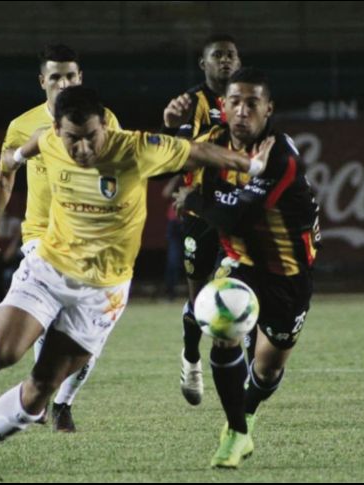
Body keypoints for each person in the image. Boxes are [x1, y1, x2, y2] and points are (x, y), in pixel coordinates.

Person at [0, 86, 263, 477]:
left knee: (40, 390)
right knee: (2, 354)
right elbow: (24, 151)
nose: (81, 148)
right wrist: (12, 159)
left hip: (103, 292)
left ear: (105, 127)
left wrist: (250, 166)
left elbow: (198, 152)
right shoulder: (48, 140)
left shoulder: (134, 148)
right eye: (72, 139)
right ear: (57, 131)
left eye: (91, 137)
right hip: (49, 268)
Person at [179, 68, 321, 468]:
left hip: (287, 273)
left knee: (268, 367)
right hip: (240, 263)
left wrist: (197, 201)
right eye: (235, 102)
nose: (242, 111)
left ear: (268, 109)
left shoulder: (281, 156)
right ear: (222, 106)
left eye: (252, 103)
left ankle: (249, 410)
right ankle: (236, 431)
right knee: (222, 331)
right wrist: (170, 127)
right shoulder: (210, 144)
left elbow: (237, 217)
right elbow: (172, 171)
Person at [0, 44, 122, 433]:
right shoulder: (23, 126)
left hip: (90, 243)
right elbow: (5, 173)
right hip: (40, 235)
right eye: (55, 76)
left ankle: (61, 402)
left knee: (85, 339)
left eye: (70, 76)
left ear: (81, 79)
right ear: (43, 81)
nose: (63, 83)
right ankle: (34, 389)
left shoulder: (104, 120)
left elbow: (119, 173)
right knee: (54, 321)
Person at [161, 34, 242, 405]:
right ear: (203, 63)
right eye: (217, 55)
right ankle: (191, 359)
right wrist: (172, 125)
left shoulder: (248, 99)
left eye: (230, 55)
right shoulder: (193, 103)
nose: (225, 61)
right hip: (200, 210)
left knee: (242, 290)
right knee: (197, 301)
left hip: (239, 210)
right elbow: (180, 156)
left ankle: (238, 370)